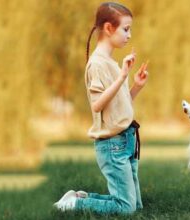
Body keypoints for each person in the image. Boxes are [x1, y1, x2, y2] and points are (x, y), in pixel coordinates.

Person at [54, 2, 149, 215]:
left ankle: (81, 197)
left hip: (126, 140)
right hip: (112, 145)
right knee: (126, 209)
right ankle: (73, 205)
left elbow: (119, 106)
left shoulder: (112, 63)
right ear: (108, 28)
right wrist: (122, 76)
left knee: (135, 206)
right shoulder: (97, 64)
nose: (129, 35)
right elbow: (97, 105)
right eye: (126, 29)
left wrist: (136, 86)